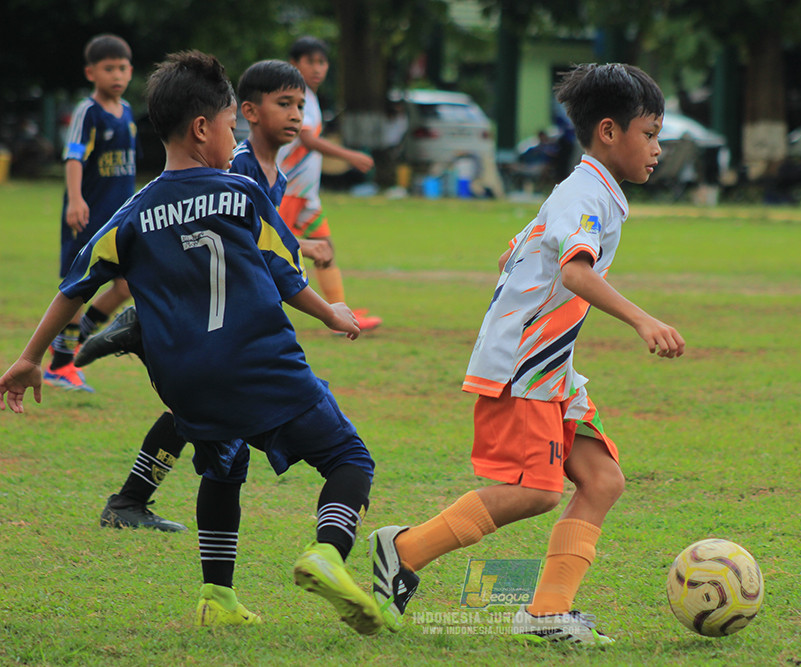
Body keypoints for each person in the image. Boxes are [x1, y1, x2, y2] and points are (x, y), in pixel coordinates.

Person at [0, 51, 382, 634]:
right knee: (349, 458)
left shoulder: (132, 212)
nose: (235, 138)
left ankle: (216, 597)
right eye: (231, 125)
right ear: (204, 128)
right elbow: (284, 273)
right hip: (258, 363)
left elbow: (75, 288)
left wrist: (30, 358)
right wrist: (331, 312)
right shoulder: (240, 192)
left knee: (223, 466)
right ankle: (327, 552)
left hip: (184, 380)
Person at [367, 63, 685, 646]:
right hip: (525, 365)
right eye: (651, 133)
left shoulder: (587, 191)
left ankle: (546, 613)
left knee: (602, 480)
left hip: (551, 366)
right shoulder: (587, 192)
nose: (658, 149)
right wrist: (643, 319)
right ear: (610, 132)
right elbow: (573, 268)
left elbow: (516, 251)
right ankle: (404, 550)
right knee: (537, 490)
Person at [91, 59, 318, 534]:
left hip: (221, 314)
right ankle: (132, 500)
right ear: (250, 113)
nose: (298, 115)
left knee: (193, 410)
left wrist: (299, 245)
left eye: (301, 105)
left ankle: (130, 500)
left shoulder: (270, 171)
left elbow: (258, 236)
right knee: (208, 416)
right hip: (219, 313)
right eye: (285, 104)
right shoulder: (236, 164)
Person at [45, 34, 138, 392]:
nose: (117, 75)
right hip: (87, 218)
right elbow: (73, 156)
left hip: (118, 220)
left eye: (123, 68)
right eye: (108, 68)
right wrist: (75, 200)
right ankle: (60, 364)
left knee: (125, 285)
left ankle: (69, 346)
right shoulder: (89, 111)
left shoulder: (127, 112)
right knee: (80, 289)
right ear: (90, 72)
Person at [278, 36, 382, 332]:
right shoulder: (298, 95)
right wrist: (350, 155)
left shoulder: (308, 97)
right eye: (310, 61)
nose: (318, 68)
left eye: (322, 62)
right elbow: (307, 139)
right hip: (288, 192)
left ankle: (341, 316)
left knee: (325, 249)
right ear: (294, 64)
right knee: (268, 255)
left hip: (305, 195)